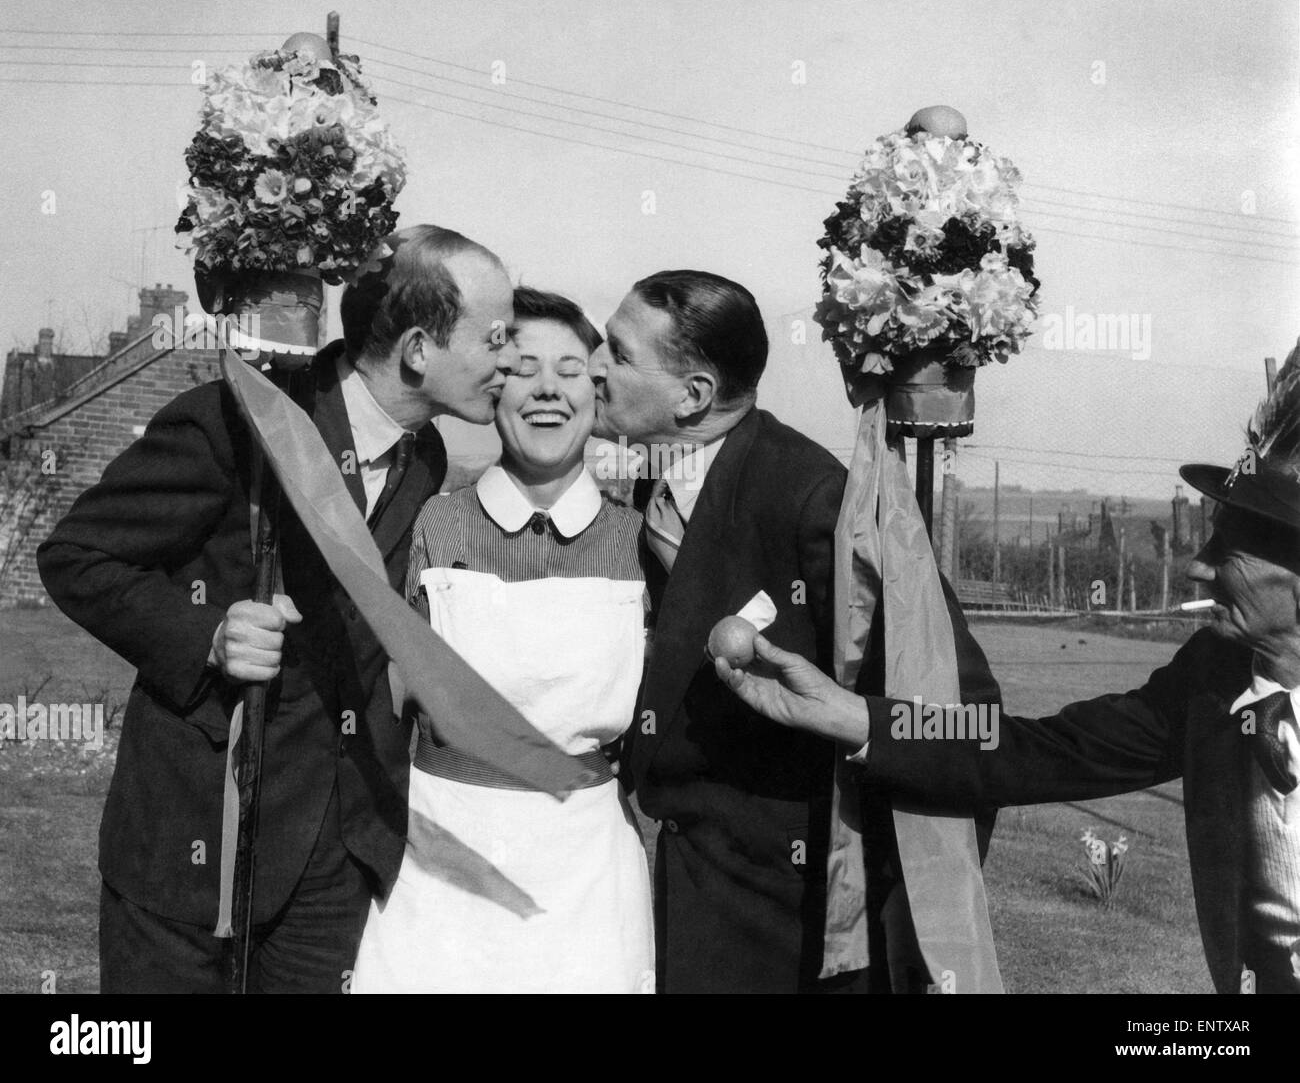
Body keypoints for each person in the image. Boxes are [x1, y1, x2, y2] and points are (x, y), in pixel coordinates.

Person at [716, 347, 1300, 994]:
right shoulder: (1213, 677)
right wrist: (854, 716)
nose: (1197, 566)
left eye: (1229, 550)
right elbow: (1035, 751)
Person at [36, 224, 520, 993]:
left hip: (333, 859)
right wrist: (208, 634)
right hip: (194, 838)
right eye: (496, 336)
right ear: (420, 349)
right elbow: (76, 556)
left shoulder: (428, 458)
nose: (512, 359)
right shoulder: (234, 421)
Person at [588, 268, 1000, 993]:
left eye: (617, 354)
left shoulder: (811, 498)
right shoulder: (661, 478)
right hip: (691, 886)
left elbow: (953, 696)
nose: (592, 367)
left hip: (790, 917)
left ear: (694, 396)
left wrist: (894, 908)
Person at [351, 287, 654, 994]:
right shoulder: (433, 525)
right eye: (522, 367)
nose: (548, 388)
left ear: (598, 389)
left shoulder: (642, 542)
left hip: (587, 882)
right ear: (494, 388)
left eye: (571, 369)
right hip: (440, 866)